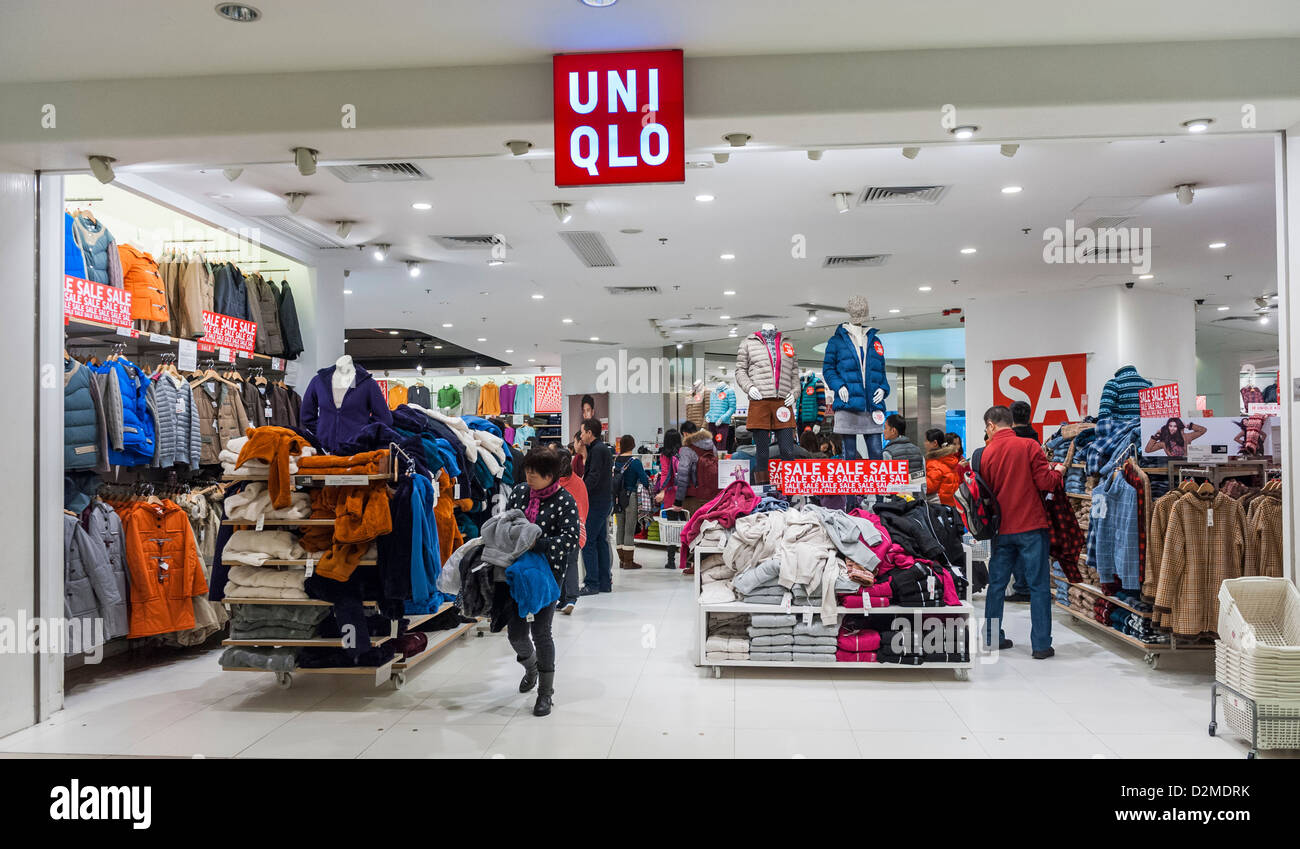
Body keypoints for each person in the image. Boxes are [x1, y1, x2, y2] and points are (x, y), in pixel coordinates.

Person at [977, 405, 1063, 659]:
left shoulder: (985, 453)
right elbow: (1046, 483)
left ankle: (992, 638)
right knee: (1038, 586)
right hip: (1031, 526)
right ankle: (1040, 645)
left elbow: (985, 495)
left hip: (1001, 529)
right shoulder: (1029, 447)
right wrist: (1058, 472)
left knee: (997, 586)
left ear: (992, 425)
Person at [504, 447, 581, 716]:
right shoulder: (519, 492)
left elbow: (571, 539)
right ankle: (530, 667)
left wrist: (538, 544)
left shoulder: (564, 500)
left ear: (551, 475)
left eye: (535, 473)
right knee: (515, 632)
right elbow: (506, 524)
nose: (529, 477)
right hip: (516, 572)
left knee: (541, 631)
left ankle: (546, 693)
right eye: (526, 471)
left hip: (549, 574)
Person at [578, 417, 614, 595]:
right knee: (600, 541)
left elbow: (594, 476)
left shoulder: (598, 450)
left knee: (588, 541)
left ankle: (592, 582)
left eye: (583, 432)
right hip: (602, 500)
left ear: (590, 432)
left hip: (597, 502)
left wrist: (580, 490)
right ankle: (604, 582)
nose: (581, 435)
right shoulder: (599, 449)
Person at [551, 447, 587, 615]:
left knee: (559, 563)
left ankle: (568, 597)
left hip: (557, 529)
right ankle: (567, 599)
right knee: (571, 562)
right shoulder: (578, 481)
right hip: (577, 527)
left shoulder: (552, 483)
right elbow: (585, 505)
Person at [613, 434, 650, 570]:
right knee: (629, 529)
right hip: (631, 497)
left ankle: (622, 560)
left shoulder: (616, 460)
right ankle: (629, 562)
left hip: (618, 498)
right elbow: (645, 481)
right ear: (633, 445)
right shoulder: (635, 462)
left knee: (620, 529)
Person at [652, 429, 682, 569]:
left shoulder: (665, 454)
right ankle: (686, 559)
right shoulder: (683, 452)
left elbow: (665, 474)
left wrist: (662, 491)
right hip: (684, 493)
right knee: (687, 525)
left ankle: (671, 561)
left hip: (671, 494)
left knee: (672, 527)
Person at [881, 414, 925, 483]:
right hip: (916, 492)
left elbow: (885, 481)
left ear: (893, 431)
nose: (883, 431)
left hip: (896, 493)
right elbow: (923, 476)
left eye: (885, 428)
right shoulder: (917, 450)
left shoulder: (888, 453)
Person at [924, 427, 961, 507]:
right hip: (951, 503)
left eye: (926, 440)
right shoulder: (949, 459)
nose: (925, 443)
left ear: (934, 443)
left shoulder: (934, 463)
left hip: (939, 505)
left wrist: (916, 484)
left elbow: (930, 487)